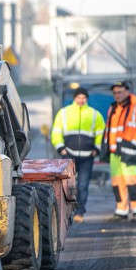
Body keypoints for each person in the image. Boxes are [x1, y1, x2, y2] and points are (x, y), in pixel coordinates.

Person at [50, 87, 104, 223]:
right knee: (67, 185)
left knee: (83, 186)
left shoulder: (94, 114)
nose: (81, 100)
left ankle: (80, 212)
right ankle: (67, 211)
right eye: (79, 97)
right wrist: (60, 148)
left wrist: (97, 149)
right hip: (69, 156)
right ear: (74, 98)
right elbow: (56, 132)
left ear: (87, 99)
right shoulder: (64, 113)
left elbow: (100, 133)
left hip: (87, 157)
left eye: (84, 98)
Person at [103, 81, 136, 221]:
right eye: (115, 92)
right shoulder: (113, 108)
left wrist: (133, 144)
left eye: (120, 92)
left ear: (127, 92)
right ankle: (121, 210)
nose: (117, 95)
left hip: (129, 152)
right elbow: (109, 129)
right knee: (117, 182)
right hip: (114, 153)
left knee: (132, 181)